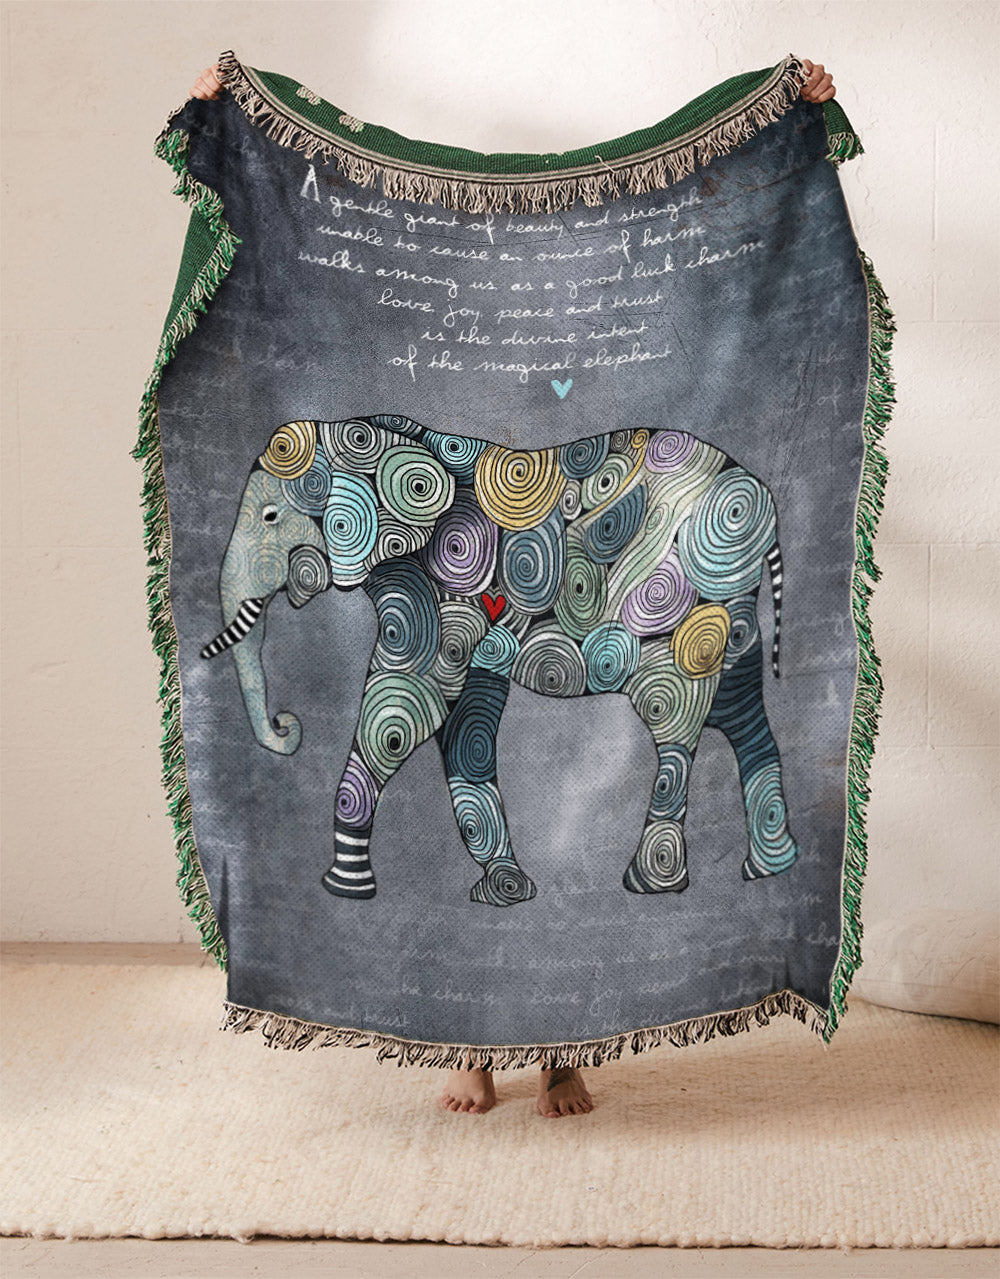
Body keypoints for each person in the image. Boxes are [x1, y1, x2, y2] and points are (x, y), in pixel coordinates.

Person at [186, 56, 835, 1118]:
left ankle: (563, 1045)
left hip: (602, 549)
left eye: (280, 520)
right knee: (512, 760)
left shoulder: (515, 389)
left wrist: (781, 115)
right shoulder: (416, 451)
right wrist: (234, 121)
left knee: (652, 725)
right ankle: (477, 1038)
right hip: (541, 566)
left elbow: (390, 717)